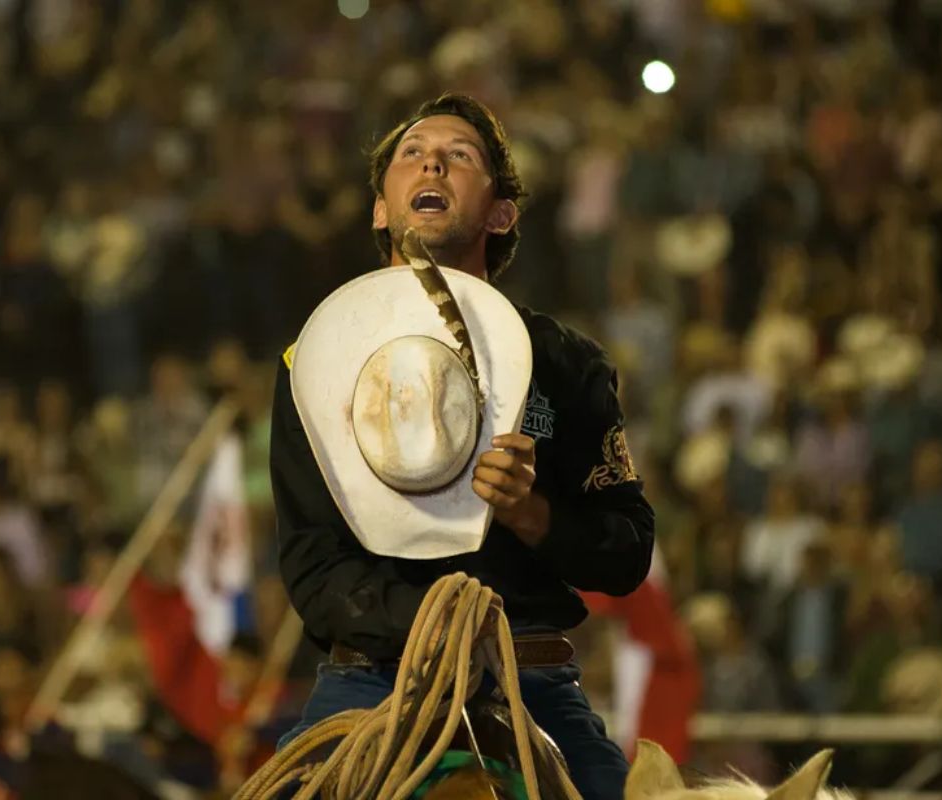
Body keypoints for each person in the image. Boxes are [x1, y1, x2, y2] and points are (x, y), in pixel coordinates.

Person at [269, 93, 655, 800]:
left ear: (501, 212)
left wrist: (531, 514)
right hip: (367, 679)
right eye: (412, 155)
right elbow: (312, 562)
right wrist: (435, 631)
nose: (434, 162)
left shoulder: (566, 363)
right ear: (382, 208)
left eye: (460, 156)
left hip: (529, 676)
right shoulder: (314, 364)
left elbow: (628, 548)